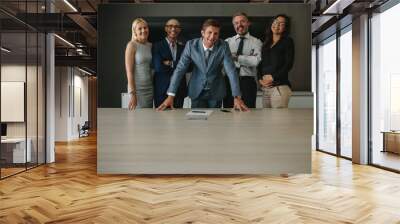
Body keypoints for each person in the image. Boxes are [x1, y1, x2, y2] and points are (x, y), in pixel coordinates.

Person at [157, 19, 248, 111]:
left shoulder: (223, 46)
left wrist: (237, 97)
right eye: (209, 32)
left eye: (216, 33)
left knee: (215, 122)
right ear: (202, 33)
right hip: (196, 91)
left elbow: (231, 71)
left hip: (216, 91)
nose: (212, 37)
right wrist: (171, 95)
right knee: (197, 123)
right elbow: (180, 69)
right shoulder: (191, 45)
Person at [224, 12, 262, 108]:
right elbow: (223, 62)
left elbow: (256, 61)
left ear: (248, 23)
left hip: (248, 82)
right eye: (236, 23)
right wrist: (248, 58)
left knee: (249, 112)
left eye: (242, 21)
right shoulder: (227, 42)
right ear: (233, 25)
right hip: (229, 82)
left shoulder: (256, 42)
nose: (239, 25)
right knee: (229, 111)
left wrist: (236, 57)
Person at [258, 14, 295, 108]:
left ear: (285, 27)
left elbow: (288, 64)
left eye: (281, 24)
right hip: (266, 88)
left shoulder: (287, 41)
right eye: (275, 21)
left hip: (280, 88)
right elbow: (260, 64)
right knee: (266, 121)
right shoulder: (266, 43)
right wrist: (260, 80)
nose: (277, 25)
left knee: (278, 121)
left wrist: (273, 77)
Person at [152, 19, 187, 108]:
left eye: (176, 27)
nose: (173, 29)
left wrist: (169, 63)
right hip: (162, 90)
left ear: (179, 30)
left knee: (179, 119)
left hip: (179, 90)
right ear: (165, 28)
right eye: (170, 26)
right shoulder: (157, 46)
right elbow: (158, 67)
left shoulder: (184, 48)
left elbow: (189, 67)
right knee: (160, 119)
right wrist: (179, 65)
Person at [125, 18, 153, 110]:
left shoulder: (150, 45)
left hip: (150, 88)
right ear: (134, 31)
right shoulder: (131, 45)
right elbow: (129, 72)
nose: (143, 30)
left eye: (145, 28)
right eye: (140, 28)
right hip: (137, 90)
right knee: (138, 121)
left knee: (148, 119)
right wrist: (132, 93)